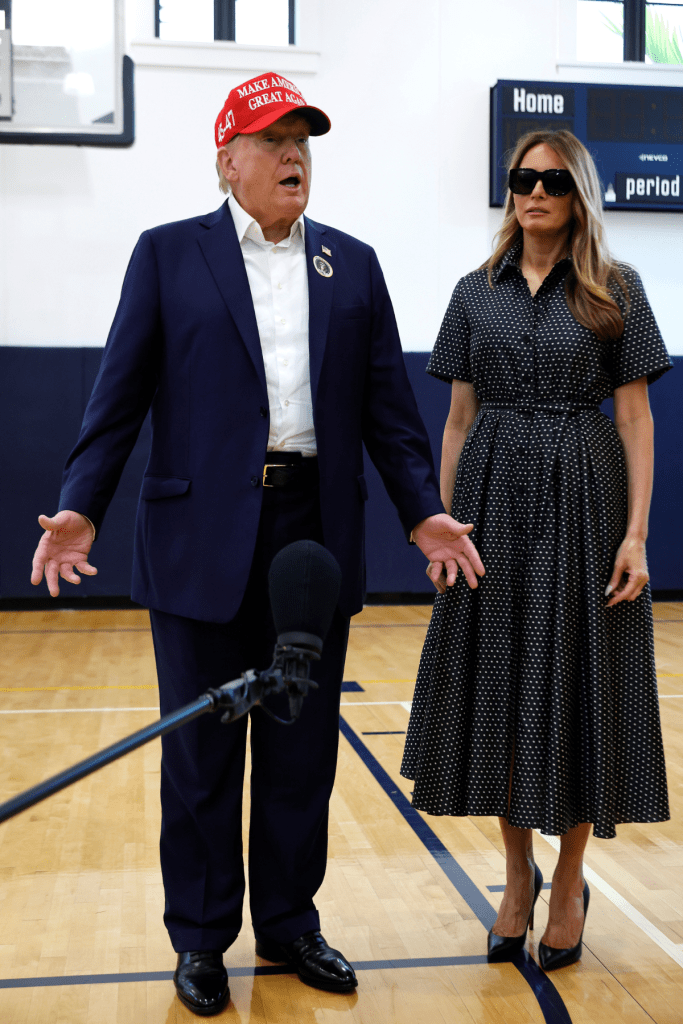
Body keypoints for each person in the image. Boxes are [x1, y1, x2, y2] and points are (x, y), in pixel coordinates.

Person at [30, 72, 484, 1015]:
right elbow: (115, 401)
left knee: (300, 754)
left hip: (310, 543)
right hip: (198, 539)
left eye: (303, 143)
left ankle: (288, 924)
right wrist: (82, 505)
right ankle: (199, 939)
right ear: (226, 159)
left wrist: (419, 510)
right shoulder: (166, 257)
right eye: (273, 141)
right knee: (201, 757)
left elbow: (392, 419)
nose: (293, 158)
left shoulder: (351, 266)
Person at [401, 129, 672, 972]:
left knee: (579, 692)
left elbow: (633, 418)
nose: (534, 192)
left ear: (577, 192)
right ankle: (516, 876)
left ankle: (568, 882)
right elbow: (454, 420)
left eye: (552, 180)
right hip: (489, 505)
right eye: (522, 178)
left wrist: (634, 534)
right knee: (498, 693)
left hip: (584, 504)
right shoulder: (471, 292)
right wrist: (443, 527)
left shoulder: (614, 289)